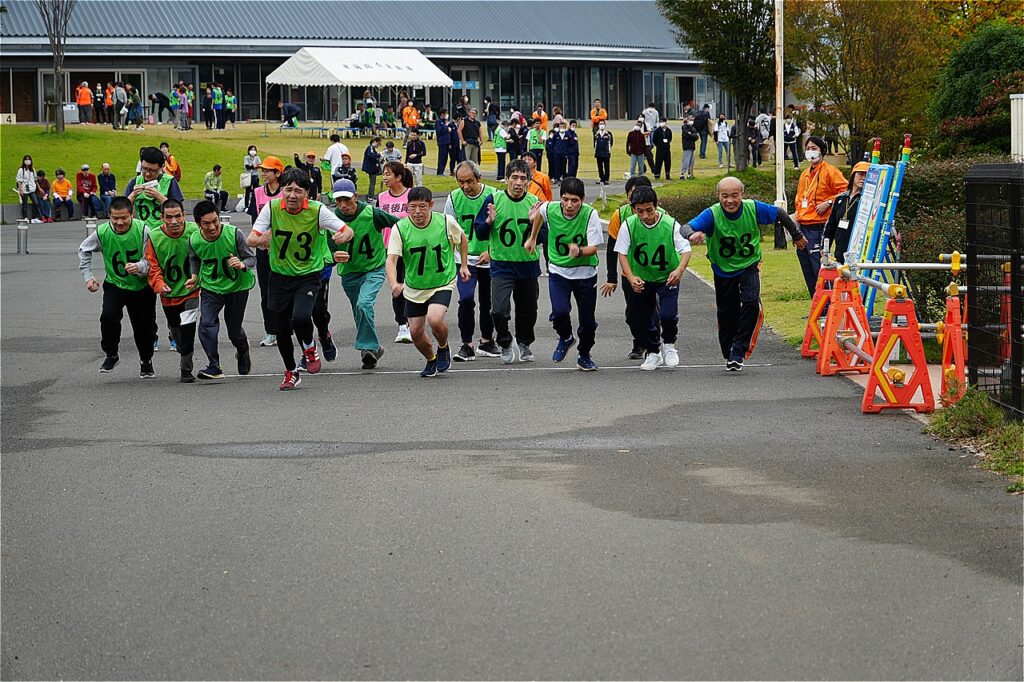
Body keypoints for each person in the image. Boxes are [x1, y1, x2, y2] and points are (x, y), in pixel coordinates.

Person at [684, 176, 808, 370]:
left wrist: (797, 235)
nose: (730, 200)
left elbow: (779, 214)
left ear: (742, 194)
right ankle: (729, 351)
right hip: (723, 270)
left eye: (735, 195)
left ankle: (738, 350)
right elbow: (686, 227)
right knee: (727, 313)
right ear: (718, 196)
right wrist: (692, 234)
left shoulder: (752, 208)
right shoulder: (712, 214)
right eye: (725, 196)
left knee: (751, 302)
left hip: (749, 265)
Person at [246, 168, 352, 390]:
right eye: (288, 189)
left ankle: (310, 346)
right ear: (281, 190)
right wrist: (261, 238)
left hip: (307, 274)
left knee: (302, 317)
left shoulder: (317, 210)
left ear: (307, 193)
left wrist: (343, 235)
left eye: (298, 191)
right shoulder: (272, 208)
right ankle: (291, 371)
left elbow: (345, 230)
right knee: (281, 329)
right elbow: (251, 238)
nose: (292, 195)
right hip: (279, 276)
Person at [387, 187, 471, 377]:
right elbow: (391, 260)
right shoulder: (400, 228)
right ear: (407, 207)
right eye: (413, 207)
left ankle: (443, 346)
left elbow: (462, 240)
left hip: (442, 281)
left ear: (431, 205)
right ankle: (431, 359)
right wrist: (394, 283)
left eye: (422, 207)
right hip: (415, 287)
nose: (417, 211)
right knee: (415, 332)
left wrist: (464, 265)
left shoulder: (445, 221)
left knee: (434, 319)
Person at [528, 176, 604, 371]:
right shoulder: (549, 208)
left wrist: (579, 250)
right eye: (565, 199)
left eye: (575, 201)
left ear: (583, 199)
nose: (569, 205)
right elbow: (539, 215)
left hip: (585, 273)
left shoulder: (590, 215)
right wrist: (533, 237)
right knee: (560, 312)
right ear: (560, 198)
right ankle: (565, 336)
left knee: (587, 321)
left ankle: (584, 354)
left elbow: (594, 248)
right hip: (558, 270)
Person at [614, 186, 692, 371]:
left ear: (656, 206)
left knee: (668, 315)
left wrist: (679, 270)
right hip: (643, 278)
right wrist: (631, 277)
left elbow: (686, 250)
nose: (645, 215)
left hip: (667, 277)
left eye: (649, 210)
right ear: (633, 209)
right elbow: (622, 254)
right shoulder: (629, 225)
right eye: (639, 211)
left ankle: (670, 345)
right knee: (640, 317)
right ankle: (653, 351)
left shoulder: (670, 224)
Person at [472, 159, 541, 364]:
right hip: (502, 265)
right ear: (506, 179)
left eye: (523, 178)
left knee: (528, 310)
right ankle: (504, 341)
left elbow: (545, 236)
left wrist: (532, 224)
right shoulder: (494, 199)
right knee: (499, 309)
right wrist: (488, 222)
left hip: (528, 265)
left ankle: (524, 342)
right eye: (514, 178)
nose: (518, 182)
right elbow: (480, 232)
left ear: (528, 181)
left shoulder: (534, 203)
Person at [78, 196, 155, 376]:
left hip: (141, 287)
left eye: (124, 218)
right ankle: (111, 353)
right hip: (115, 284)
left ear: (132, 215)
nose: (119, 222)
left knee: (144, 328)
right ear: (109, 216)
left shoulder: (143, 230)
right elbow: (83, 250)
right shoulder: (102, 232)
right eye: (115, 218)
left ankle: (146, 360)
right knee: (108, 317)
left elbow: (151, 259)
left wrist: (140, 267)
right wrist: (88, 277)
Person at [330, 178, 399, 369]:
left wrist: (397, 250)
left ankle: (368, 347)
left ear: (355, 196)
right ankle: (373, 348)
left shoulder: (372, 213)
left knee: (364, 303)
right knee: (359, 311)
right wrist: (333, 254)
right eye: (338, 201)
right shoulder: (331, 220)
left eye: (347, 200)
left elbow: (400, 226)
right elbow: (325, 248)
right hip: (349, 273)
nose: (343, 205)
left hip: (374, 268)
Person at [186, 201, 256, 381]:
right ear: (198, 224)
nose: (212, 227)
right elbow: (195, 258)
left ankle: (242, 349)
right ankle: (214, 365)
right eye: (206, 223)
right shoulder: (194, 239)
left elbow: (251, 258)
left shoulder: (234, 234)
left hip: (237, 287)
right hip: (211, 287)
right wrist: (194, 276)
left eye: (215, 221)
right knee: (206, 325)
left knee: (233, 330)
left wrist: (241, 264)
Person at [443, 161, 499, 362]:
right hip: (464, 259)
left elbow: (499, 228)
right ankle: (467, 344)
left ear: (479, 178)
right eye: (461, 182)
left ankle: (487, 341)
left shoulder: (493, 195)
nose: (465, 186)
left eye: (470, 181)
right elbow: (448, 230)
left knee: (488, 301)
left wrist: (491, 251)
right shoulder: (454, 198)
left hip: (488, 258)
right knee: (466, 299)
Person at [142, 199, 201, 382]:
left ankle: (186, 370)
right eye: (169, 217)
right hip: (168, 293)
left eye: (178, 216)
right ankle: (180, 343)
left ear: (184, 215)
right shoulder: (154, 237)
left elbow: (206, 255)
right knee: (177, 329)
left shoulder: (195, 232)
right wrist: (159, 284)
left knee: (188, 327)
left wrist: (197, 277)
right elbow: (152, 266)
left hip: (191, 289)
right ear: (162, 218)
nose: (174, 221)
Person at [600, 175, 654, 359]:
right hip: (629, 273)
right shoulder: (620, 215)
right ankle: (639, 341)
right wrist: (611, 278)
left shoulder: (661, 215)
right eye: (633, 194)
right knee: (633, 314)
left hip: (654, 273)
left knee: (653, 311)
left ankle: (652, 346)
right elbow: (611, 249)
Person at [794, 135, 848, 296]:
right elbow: (799, 199)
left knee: (820, 268)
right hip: (803, 226)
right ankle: (816, 304)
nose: (810, 152)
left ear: (822, 151)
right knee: (807, 269)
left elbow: (845, 191)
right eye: (808, 148)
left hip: (819, 227)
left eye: (814, 148)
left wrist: (829, 202)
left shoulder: (831, 172)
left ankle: (827, 307)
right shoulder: (804, 174)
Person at [246, 155, 284, 347]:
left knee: (285, 289)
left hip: (283, 248)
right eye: (262, 170)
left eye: (267, 170)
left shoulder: (286, 192)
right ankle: (270, 331)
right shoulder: (258, 192)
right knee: (266, 291)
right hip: (263, 249)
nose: (264, 173)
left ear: (278, 173)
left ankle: (285, 327)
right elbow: (255, 221)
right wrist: (261, 240)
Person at [378, 161, 415, 343]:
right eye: (383, 174)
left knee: (413, 285)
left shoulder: (411, 195)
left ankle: (415, 321)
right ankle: (402, 325)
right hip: (390, 249)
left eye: (388, 174)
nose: (384, 178)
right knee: (396, 286)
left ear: (399, 177)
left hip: (410, 247)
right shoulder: (382, 197)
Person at [125, 146, 184, 230]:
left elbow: (179, 210)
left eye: (152, 170)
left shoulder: (170, 181)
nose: (147, 174)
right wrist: (133, 195)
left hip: (165, 232)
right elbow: (122, 210)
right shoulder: (134, 182)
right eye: (144, 169)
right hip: (142, 231)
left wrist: (159, 196)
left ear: (161, 167)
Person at [823, 161, 870, 264]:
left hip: (858, 253)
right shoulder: (841, 198)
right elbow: (830, 226)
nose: (863, 178)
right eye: (860, 174)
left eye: (867, 175)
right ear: (853, 175)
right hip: (840, 251)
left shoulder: (867, 201)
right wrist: (825, 248)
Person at [15, 155, 41, 222]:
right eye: (26, 159)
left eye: (29, 159)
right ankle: (25, 217)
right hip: (24, 189)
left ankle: (33, 217)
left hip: (32, 189)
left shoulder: (33, 170)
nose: (27, 161)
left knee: (36, 203)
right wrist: (20, 190)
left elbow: (35, 180)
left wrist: (39, 188)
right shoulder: (21, 170)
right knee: (25, 204)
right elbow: (19, 181)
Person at [361, 137, 383, 201]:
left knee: (373, 182)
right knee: (372, 182)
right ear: (375, 142)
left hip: (372, 168)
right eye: (378, 144)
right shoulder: (370, 148)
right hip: (371, 168)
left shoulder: (372, 149)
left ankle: (371, 195)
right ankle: (370, 196)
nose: (379, 145)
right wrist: (379, 155)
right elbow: (371, 155)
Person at [679, 115, 698, 179]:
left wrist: (692, 135)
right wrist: (692, 135)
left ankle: (689, 174)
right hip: (687, 146)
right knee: (686, 161)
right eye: (690, 119)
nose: (691, 121)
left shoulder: (693, 128)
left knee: (692, 161)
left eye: (692, 120)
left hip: (692, 146)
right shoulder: (684, 127)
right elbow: (687, 135)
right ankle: (682, 174)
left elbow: (696, 137)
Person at [434, 108, 451, 176]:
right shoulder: (438, 121)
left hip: (446, 141)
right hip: (442, 142)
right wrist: (447, 129)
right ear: (442, 114)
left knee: (445, 157)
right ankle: (440, 171)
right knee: (442, 157)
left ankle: (442, 170)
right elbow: (439, 131)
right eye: (446, 113)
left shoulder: (444, 122)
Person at [243, 145, 261, 210]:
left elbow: (260, 165)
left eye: (254, 149)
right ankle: (246, 206)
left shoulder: (257, 158)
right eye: (251, 150)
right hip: (249, 176)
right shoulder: (246, 157)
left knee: (256, 191)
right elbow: (247, 166)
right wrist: (254, 166)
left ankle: (255, 204)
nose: (253, 151)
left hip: (256, 176)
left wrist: (254, 166)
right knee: (247, 191)